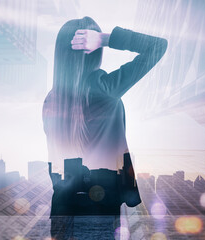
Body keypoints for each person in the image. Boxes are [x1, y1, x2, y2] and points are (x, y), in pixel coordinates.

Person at [42, 16, 167, 239]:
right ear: (93, 52)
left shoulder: (52, 100)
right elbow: (157, 46)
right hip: (97, 212)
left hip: (62, 211)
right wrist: (105, 39)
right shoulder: (103, 89)